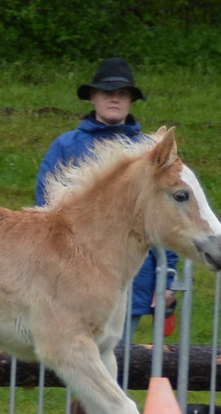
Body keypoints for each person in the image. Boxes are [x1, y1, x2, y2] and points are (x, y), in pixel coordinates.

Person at [36, 57, 177, 339]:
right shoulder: (65, 146)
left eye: (122, 93)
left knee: (117, 359)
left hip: (132, 276)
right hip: (72, 273)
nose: (115, 99)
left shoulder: (150, 153)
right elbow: (46, 208)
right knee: (74, 355)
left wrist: (167, 275)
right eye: (107, 93)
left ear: (131, 101)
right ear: (93, 98)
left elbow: (169, 212)